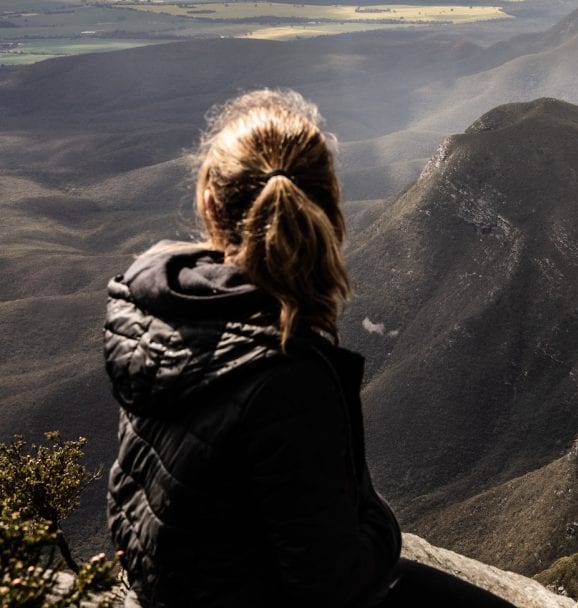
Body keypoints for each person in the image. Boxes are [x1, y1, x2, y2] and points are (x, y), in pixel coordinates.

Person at [103, 89, 515, 608]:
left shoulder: (148, 300)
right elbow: (332, 586)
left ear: (209, 199)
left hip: (163, 585)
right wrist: (378, 519)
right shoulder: (287, 375)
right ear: (328, 206)